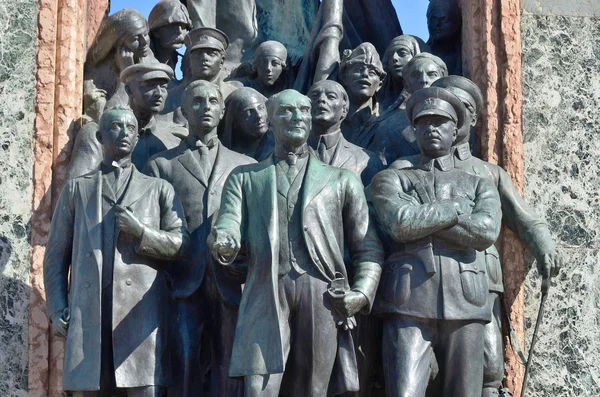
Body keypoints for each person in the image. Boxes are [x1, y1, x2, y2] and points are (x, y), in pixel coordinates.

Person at [394, 76, 561, 397]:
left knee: (488, 367)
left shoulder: (488, 173)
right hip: (423, 284)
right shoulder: (407, 169)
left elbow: (523, 218)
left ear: (470, 119)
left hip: (479, 282)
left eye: (465, 108)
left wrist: (544, 245)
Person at [209, 89, 383, 397]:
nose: (297, 117)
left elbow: (367, 246)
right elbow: (228, 222)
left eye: (303, 111)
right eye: (287, 111)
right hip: (265, 289)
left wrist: (361, 293)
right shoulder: (245, 177)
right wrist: (225, 240)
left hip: (322, 293)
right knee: (258, 387)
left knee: (313, 389)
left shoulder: (342, 180)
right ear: (272, 120)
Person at [44, 105, 189, 397]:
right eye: (115, 127)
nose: (124, 133)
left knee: (142, 390)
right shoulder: (77, 190)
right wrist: (56, 307)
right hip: (89, 314)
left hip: (140, 315)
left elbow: (181, 244)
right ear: (99, 136)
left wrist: (142, 233)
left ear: (137, 139)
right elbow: (56, 255)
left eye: (130, 128)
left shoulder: (158, 189)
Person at [370, 87, 502, 397]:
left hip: (467, 299)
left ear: (455, 129)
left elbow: (485, 233)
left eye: (440, 122)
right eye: (423, 123)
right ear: (413, 129)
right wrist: (454, 212)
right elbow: (400, 224)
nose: (431, 128)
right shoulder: (393, 178)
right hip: (409, 300)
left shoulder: (479, 183)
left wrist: (424, 221)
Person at [144, 80, 256, 397]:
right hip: (181, 280)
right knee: (183, 358)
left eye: (212, 101)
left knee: (231, 362)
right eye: (197, 101)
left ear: (222, 111)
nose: (205, 107)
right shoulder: (160, 165)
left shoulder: (246, 166)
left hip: (231, 279)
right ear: (184, 110)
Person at [67, 62, 182, 179]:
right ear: (129, 90)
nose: (158, 94)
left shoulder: (171, 142)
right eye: (149, 85)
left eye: (163, 87)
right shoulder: (98, 134)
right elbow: (76, 190)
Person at [366, 52, 448, 164]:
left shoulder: (457, 120)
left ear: (443, 80)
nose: (424, 80)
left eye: (432, 74)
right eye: (416, 75)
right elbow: (380, 168)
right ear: (406, 84)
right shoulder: (388, 126)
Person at [307, 80, 383, 186]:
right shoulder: (288, 154)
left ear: (344, 109)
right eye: (314, 96)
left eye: (331, 96)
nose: (321, 99)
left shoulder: (367, 160)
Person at [84, 9, 155, 117]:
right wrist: (126, 75)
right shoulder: (95, 76)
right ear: (117, 43)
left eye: (145, 34)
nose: (144, 42)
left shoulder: (149, 62)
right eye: (135, 38)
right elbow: (108, 118)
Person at [339, 43, 386, 147]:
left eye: (372, 72)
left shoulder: (386, 125)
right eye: (357, 69)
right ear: (344, 78)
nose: (365, 74)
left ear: (379, 85)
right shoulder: (331, 119)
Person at [220, 87, 274, 161]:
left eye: (261, 108)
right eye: (249, 112)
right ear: (235, 121)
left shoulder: (277, 150)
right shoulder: (225, 158)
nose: (259, 116)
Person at [379, 35, 426, 111]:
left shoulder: (425, 104)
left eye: (402, 53)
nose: (394, 58)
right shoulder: (378, 103)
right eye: (390, 55)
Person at [148, 0, 192, 69]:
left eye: (183, 26)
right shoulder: (141, 58)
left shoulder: (174, 58)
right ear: (156, 31)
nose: (179, 31)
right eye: (172, 26)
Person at [427, 0, 462, 76]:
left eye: (444, 20)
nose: (437, 24)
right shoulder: (421, 53)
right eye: (433, 19)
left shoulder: (463, 55)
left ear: (456, 22)